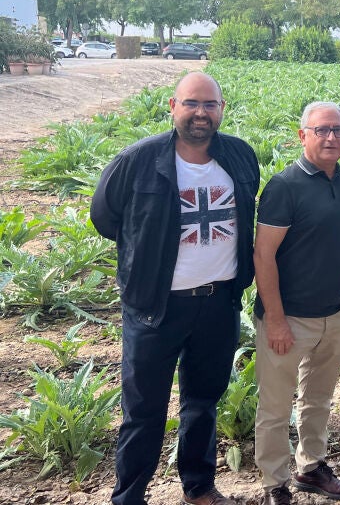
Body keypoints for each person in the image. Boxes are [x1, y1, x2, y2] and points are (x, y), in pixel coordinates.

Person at [91, 72, 259, 505]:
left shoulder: (240, 156)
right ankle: (129, 497)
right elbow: (105, 217)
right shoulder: (138, 159)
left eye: (209, 104)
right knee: (143, 411)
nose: (201, 113)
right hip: (154, 307)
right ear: (173, 106)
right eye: (191, 103)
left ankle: (199, 487)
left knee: (203, 403)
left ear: (221, 109)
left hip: (218, 303)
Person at [253, 102, 340, 504]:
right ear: (303, 136)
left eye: (338, 130)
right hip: (290, 317)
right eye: (321, 130)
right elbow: (263, 254)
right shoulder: (284, 186)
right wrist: (276, 319)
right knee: (276, 406)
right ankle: (274, 483)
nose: (331, 137)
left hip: (336, 312)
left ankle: (311, 466)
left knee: (318, 398)